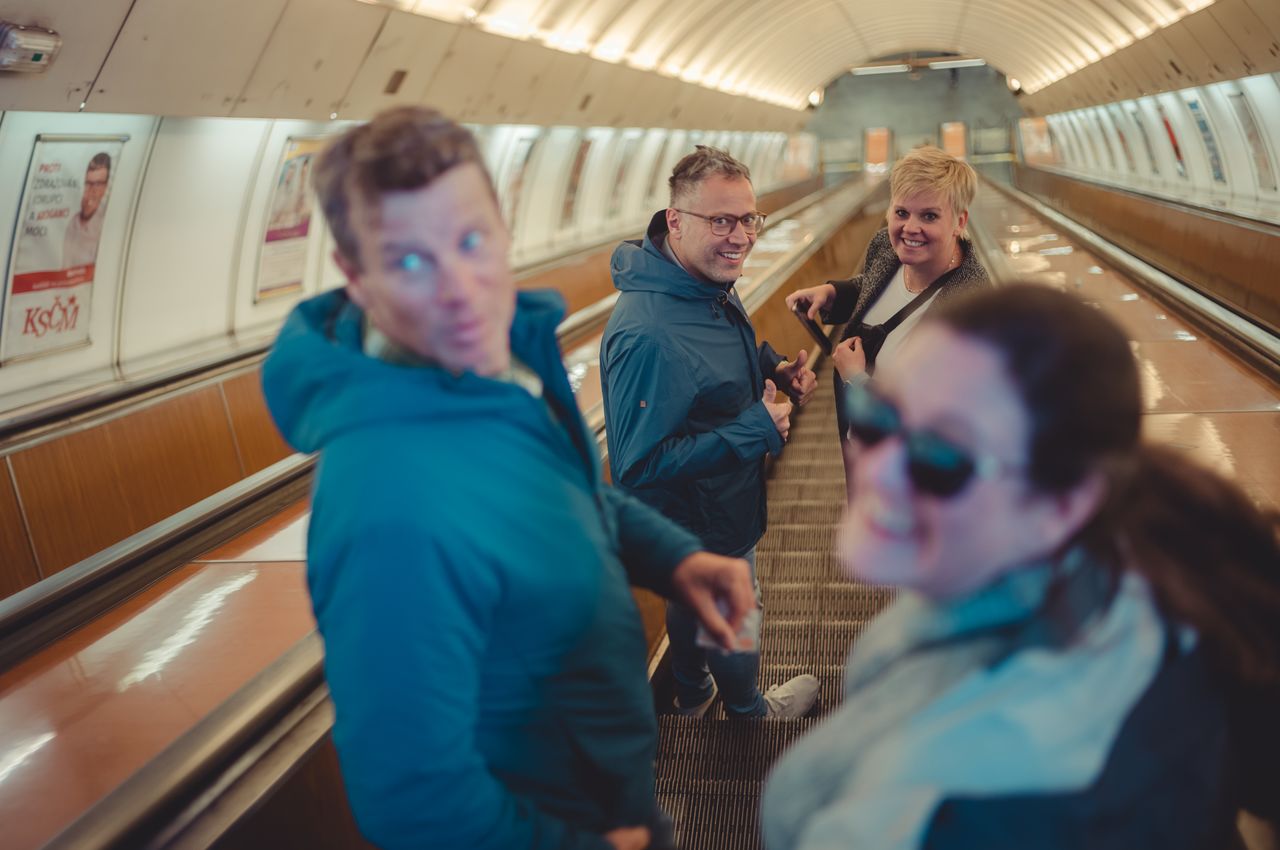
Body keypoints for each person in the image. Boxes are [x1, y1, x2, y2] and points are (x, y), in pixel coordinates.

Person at [262, 107, 758, 850]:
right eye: (407, 260)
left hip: (600, 784)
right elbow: (414, 799)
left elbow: (556, 493)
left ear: (502, 229)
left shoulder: (485, 374)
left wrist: (671, 556)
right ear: (354, 275)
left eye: (471, 242)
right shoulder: (386, 499)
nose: (460, 288)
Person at [761, 285, 1280, 849]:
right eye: (881, 415)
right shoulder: (1064, 588)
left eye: (942, 457)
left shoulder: (1015, 798)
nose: (880, 470)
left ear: (1062, 504)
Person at [600, 145, 821, 720]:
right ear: (675, 221)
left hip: (714, 502)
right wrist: (755, 426)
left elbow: (711, 366)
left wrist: (770, 368)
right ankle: (749, 713)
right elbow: (636, 466)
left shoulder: (701, 281)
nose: (741, 236)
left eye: (749, 218)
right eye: (721, 220)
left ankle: (693, 693)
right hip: (701, 516)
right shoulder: (650, 332)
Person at [785, 146, 989, 441]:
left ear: (959, 221)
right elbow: (873, 285)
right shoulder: (885, 246)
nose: (910, 228)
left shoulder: (971, 309)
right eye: (901, 212)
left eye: (929, 216)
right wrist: (833, 293)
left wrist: (856, 380)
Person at [62, 152, 111, 268]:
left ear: (106, 187)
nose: (91, 191)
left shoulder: (106, 225)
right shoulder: (73, 223)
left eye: (98, 184)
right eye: (88, 183)